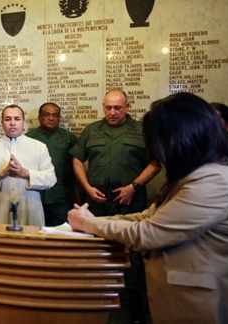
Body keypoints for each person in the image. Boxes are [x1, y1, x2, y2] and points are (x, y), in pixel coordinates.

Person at [68, 92, 228, 324]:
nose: (159, 152)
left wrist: (86, 223)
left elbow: (149, 233)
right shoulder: (195, 171)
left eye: (160, 141)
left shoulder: (214, 179)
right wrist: (92, 219)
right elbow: (150, 215)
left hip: (201, 304)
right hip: (182, 300)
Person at [69, 89, 160, 323]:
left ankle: (136, 310)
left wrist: (134, 187)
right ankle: (99, 302)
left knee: (134, 254)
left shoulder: (141, 130)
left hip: (130, 198)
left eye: (117, 108)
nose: (112, 112)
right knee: (98, 249)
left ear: (127, 107)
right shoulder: (92, 130)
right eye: (108, 107)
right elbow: (77, 158)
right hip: (98, 200)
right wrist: (87, 187)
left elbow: (156, 162)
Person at [0, 104, 56, 226]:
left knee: (30, 243)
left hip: (31, 206)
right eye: (8, 119)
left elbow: (51, 178)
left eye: (17, 119)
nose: (12, 123)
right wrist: (0, 174)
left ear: (24, 122)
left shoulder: (39, 147)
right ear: (2, 123)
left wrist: (25, 173)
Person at [25, 102, 77, 226]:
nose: (51, 118)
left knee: (61, 233)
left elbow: (76, 167)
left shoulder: (70, 138)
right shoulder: (28, 139)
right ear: (39, 117)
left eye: (55, 115)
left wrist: (79, 193)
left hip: (62, 196)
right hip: (35, 195)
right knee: (34, 232)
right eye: (47, 115)